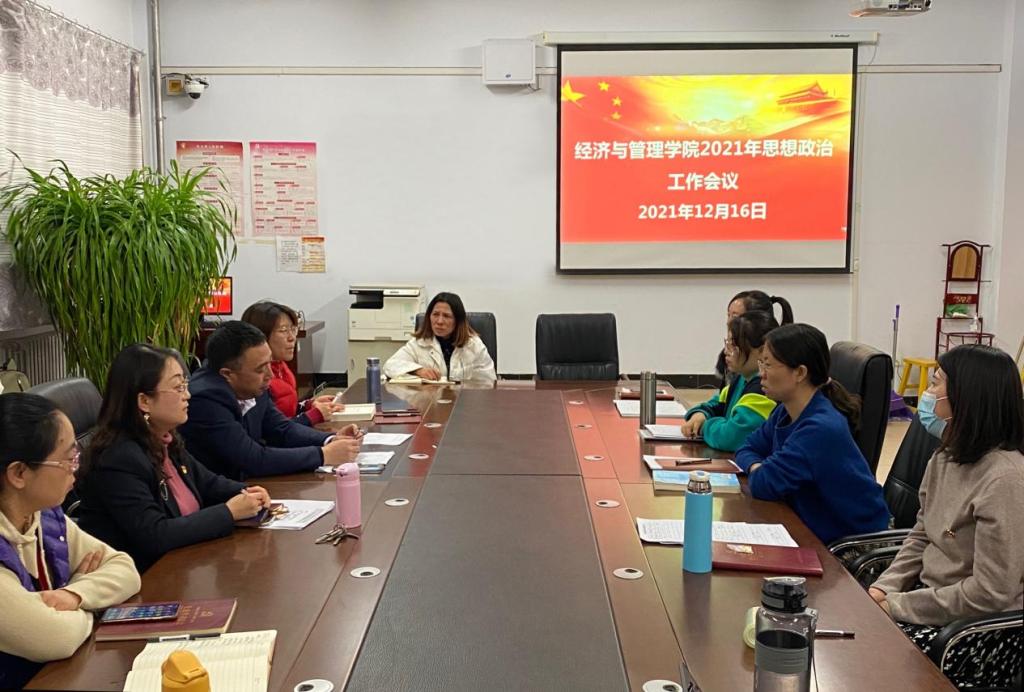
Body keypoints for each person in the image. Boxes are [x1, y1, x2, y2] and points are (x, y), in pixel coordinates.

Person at [869, 345, 1024, 650]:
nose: (927, 393)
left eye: (936, 383)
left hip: (974, 631)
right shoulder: (946, 456)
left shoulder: (1005, 480)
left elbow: (990, 594)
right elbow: (922, 534)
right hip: (932, 601)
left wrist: (898, 606)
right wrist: (883, 588)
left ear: (966, 396)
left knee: (867, 653)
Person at [76, 344, 273, 572]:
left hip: (184, 566)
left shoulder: (164, 439)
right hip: (146, 578)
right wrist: (229, 513)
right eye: (178, 388)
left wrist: (247, 492)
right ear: (144, 401)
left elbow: (209, 483)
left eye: (185, 385)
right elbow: (155, 535)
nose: (187, 395)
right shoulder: (118, 459)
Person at [0, 393, 141, 688]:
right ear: (19, 473)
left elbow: (124, 568)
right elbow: (56, 638)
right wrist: (94, 601)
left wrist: (74, 595)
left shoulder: (42, 515)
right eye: (67, 459)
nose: (76, 467)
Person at [734, 323, 889, 544]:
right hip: (811, 528)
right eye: (761, 364)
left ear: (800, 373)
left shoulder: (820, 428)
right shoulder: (785, 411)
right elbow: (747, 447)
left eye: (768, 365)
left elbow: (763, 484)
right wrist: (758, 466)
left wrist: (759, 468)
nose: (761, 374)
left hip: (854, 544)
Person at [180, 321, 361, 480]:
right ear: (228, 374)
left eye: (270, 363)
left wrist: (330, 440)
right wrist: (322, 455)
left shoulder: (252, 384)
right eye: (260, 369)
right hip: (220, 495)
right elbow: (252, 459)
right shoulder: (205, 400)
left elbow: (281, 429)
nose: (270, 375)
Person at [681, 311, 778, 451]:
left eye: (734, 346)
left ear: (761, 351)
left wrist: (703, 426)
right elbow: (715, 405)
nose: (726, 351)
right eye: (727, 344)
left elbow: (731, 437)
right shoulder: (741, 379)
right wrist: (700, 415)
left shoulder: (764, 388)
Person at [241, 301, 340, 427]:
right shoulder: (256, 380)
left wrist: (308, 405)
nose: (292, 337)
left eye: (293, 329)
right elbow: (273, 429)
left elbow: (285, 411)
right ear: (260, 335)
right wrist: (313, 416)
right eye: (283, 330)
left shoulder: (281, 365)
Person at [384, 292, 496, 383]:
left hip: (464, 400)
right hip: (429, 400)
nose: (439, 321)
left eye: (446, 316)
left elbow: (490, 382)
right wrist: (417, 370)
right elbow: (390, 366)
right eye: (435, 314)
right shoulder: (419, 343)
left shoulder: (474, 345)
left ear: (458, 321)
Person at [714, 290, 794, 383]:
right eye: (729, 315)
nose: (729, 322)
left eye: (735, 317)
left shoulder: (765, 381)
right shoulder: (734, 367)